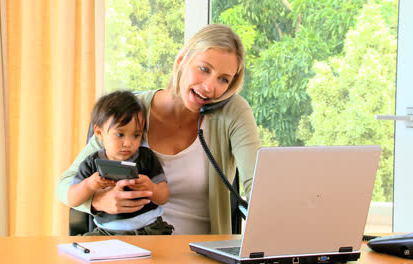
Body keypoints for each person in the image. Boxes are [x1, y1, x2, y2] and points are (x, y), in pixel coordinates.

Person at [57, 24, 261, 234]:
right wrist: (96, 202)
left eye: (223, 79)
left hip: (197, 252)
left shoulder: (233, 112)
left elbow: (259, 186)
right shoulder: (130, 111)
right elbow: (65, 185)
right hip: (127, 250)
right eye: (204, 69)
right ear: (182, 61)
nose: (210, 87)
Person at [67, 90, 174, 235]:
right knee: (79, 248)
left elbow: (163, 196)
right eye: (120, 134)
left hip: (148, 229)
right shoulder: (92, 163)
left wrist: (152, 188)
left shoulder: (146, 157)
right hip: (106, 232)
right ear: (99, 133)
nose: (128, 143)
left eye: (136, 135)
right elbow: (72, 199)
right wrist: (89, 185)